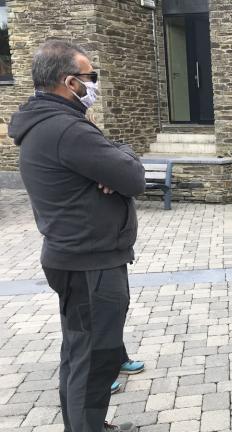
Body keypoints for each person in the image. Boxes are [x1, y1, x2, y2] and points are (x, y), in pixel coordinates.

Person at [9, 40, 145, 432]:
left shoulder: (49, 123)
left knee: (79, 352)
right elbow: (134, 178)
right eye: (91, 77)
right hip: (91, 264)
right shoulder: (67, 128)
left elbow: (118, 167)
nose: (94, 85)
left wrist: (115, 161)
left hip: (74, 257)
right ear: (70, 82)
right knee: (96, 358)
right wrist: (121, 160)